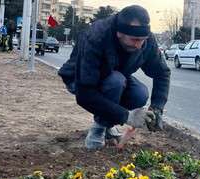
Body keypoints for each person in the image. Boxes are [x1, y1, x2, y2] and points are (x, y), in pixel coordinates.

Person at [59, 5, 170, 150]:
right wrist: (126, 116)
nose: (139, 45)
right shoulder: (96, 37)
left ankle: (108, 123)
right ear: (119, 33)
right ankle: (99, 128)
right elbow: (84, 94)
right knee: (115, 82)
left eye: (142, 40)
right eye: (134, 40)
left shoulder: (146, 41)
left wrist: (157, 107)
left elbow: (162, 73)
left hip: (115, 77)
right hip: (79, 78)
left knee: (139, 94)